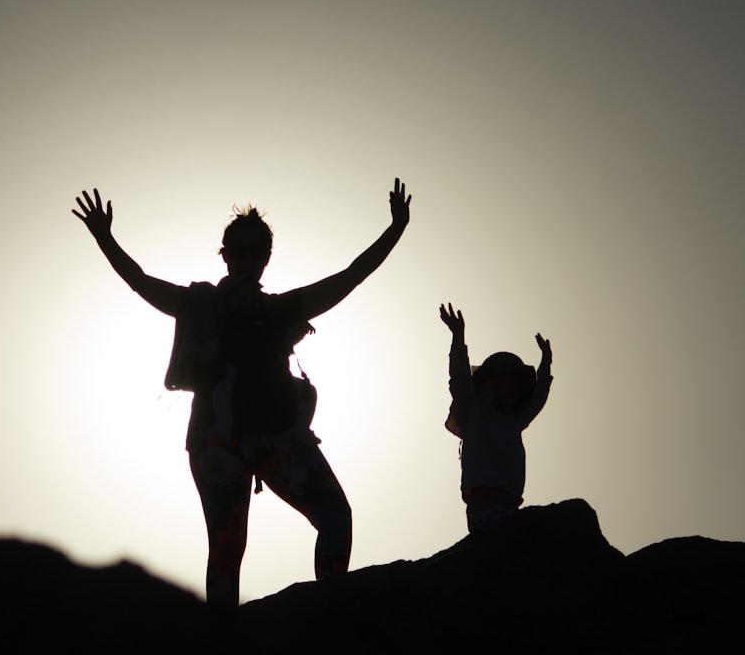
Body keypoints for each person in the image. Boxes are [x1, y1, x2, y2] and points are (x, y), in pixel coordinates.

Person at [72, 180, 411, 606]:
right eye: (239, 252)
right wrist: (106, 238)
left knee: (336, 516)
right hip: (218, 442)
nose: (248, 260)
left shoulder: (280, 309)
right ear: (225, 254)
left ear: (267, 258)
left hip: (279, 437)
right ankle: (223, 638)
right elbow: (140, 282)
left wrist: (395, 230)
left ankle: (330, 612)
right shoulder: (200, 305)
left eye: (257, 253)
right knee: (228, 549)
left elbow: (349, 278)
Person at [438, 303, 553, 534]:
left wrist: (546, 363)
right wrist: (458, 337)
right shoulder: (473, 413)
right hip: (482, 506)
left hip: (510, 505)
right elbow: (459, 377)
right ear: (483, 386)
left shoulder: (515, 420)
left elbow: (538, 399)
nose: (505, 393)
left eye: (512, 391)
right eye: (499, 386)